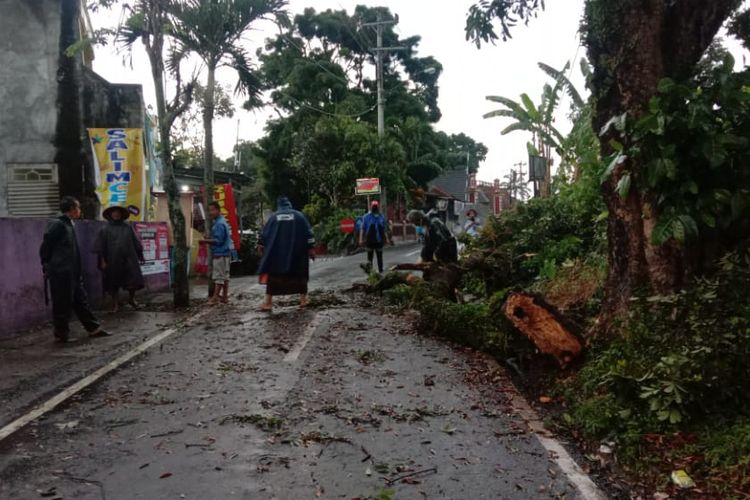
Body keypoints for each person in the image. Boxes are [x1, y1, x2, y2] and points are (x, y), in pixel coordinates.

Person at [39, 196, 110, 342]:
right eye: (78, 208)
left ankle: (93, 328)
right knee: (62, 303)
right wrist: (46, 266)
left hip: (72, 272)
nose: (79, 211)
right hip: (61, 272)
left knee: (80, 300)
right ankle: (61, 335)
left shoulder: (68, 224)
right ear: (72, 209)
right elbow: (45, 248)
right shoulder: (58, 224)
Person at [257, 197, 315, 312]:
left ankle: (268, 302)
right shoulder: (299, 216)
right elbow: (309, 234)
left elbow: (263, 236)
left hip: (277, 255)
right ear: (289, 205)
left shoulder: (273, 218)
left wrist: (261, 246)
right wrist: (311, 249)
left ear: (278, 206)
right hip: (297, 254)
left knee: (273, 277)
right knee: (300, 275)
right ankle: (303, 299)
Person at [94, 206, 145, 313]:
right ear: (110, 215)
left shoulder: (127, 227)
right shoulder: (105, 229)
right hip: (113, 259)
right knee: (113, 282)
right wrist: (103, 261)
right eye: (114, 213)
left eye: (118, 213)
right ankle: (115, 304)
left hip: (129, 258)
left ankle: (131, 299)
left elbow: (135, 241)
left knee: (133, 280)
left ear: (121, 214)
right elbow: (100, 247)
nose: (116, 214)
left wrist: (140, 255)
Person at [200, 202, 232, 305]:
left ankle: (215, 298)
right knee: (225, 276)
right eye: (209, 210)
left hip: (220, 253)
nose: (211, 212)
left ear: (218, 210)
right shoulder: (222, 222)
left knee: (219, 277)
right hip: (225, 253)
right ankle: (224, 297)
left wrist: (205, 241)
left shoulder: (219, 224)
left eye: (213, 210)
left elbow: (219, 241)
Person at [359, 200, 388, 274]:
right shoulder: (366, 217)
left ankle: (381, 271)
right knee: (370, 257)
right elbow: (362, 229)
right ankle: (370, 273)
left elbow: (384, 229)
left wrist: (386, 239)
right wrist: (361, 239)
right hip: (370, 240)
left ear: (378, 207)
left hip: (379, 240)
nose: (375, 208)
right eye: (373, 206)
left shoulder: (381, 216)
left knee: (379, 257)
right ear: (371, 207)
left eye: (376, 206)